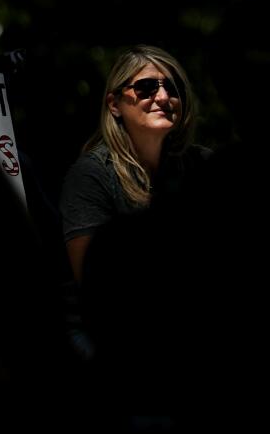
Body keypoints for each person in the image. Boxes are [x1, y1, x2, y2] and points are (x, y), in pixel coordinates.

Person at [59, 45, 203, 282]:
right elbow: (93, 283)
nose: (164, 97)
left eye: (172, 87)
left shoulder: (202, 165)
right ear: (114, 105)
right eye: (146, 88)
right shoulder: (90, 177)